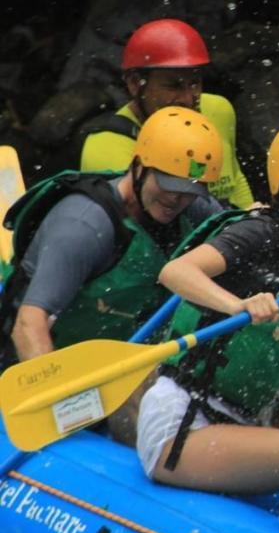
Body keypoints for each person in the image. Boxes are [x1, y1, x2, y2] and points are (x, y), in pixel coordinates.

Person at [134, 122, 279, 494]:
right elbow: (175, 272)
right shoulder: (261, 230)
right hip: (188, 422)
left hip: (250, 418)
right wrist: (237, 304)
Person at [1, 106, 224, 368]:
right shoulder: (83, 225)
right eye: (169, 185)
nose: (176, 199)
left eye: (190, 190)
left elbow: (239, 237)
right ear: (139, 166)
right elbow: (29, 324)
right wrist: (57, 401)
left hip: (118, 360)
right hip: (34, 360)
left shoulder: (191, 206)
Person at [79, 18, 254, 209]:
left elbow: (235, 182)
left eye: (194, 83)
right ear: (135, 83)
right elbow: (160, 219)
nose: (188, 99)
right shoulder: (107, 146)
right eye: (173, 86)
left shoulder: (218, 111)